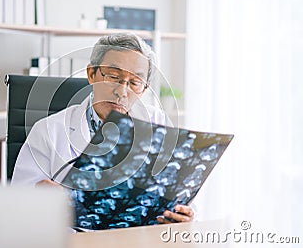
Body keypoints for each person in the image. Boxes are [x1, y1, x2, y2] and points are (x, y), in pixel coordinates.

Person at [11, 32, 194, 224]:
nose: (122, 92)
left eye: (134, 83)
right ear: (91, 74)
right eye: (114, 77)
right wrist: (40, 200)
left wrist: (183, 214)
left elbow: (180, 192)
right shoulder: (49, 131)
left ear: (145, 89)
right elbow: (18, 202)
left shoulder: (158, 123)